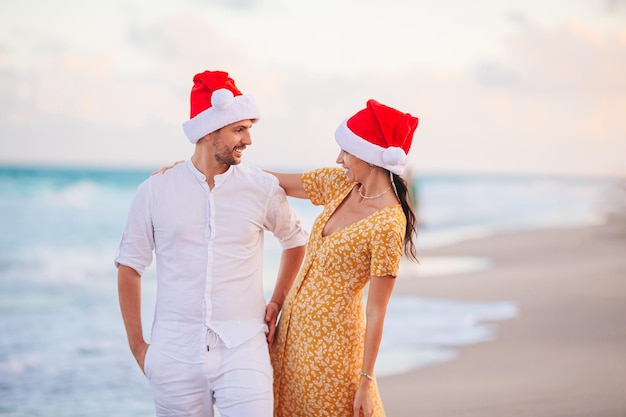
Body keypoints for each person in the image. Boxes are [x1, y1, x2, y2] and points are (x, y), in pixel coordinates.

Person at [114, 70, 308, 417]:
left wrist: (277, 301)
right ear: (208, 131)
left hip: (245, 348)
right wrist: (139, 348)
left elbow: (295, 241)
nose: (248, 139)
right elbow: (130, 266)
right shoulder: (156, 190)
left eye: (248, 129)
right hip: (173, 354)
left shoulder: (260, 187)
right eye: (239, 129)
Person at [268, 99, 419, 417]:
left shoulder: (388, 224)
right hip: (292, 336)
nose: (339, 160)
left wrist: (365, 381)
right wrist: (198, 172)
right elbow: (272, 182)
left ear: (371, 157)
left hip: (334, 349)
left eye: (346, 152)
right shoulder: (340, 185)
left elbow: (377, 310)